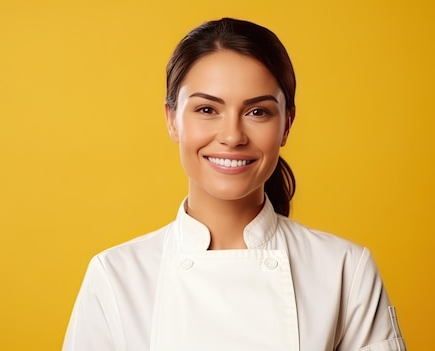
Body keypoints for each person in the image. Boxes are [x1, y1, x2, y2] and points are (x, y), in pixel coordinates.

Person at [63, 18, 406, 351]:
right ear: (172, 120)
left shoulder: (345, 270)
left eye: (257, 112)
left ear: (286, 124)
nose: (232, 136)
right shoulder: (115, 277)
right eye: (207, 109)